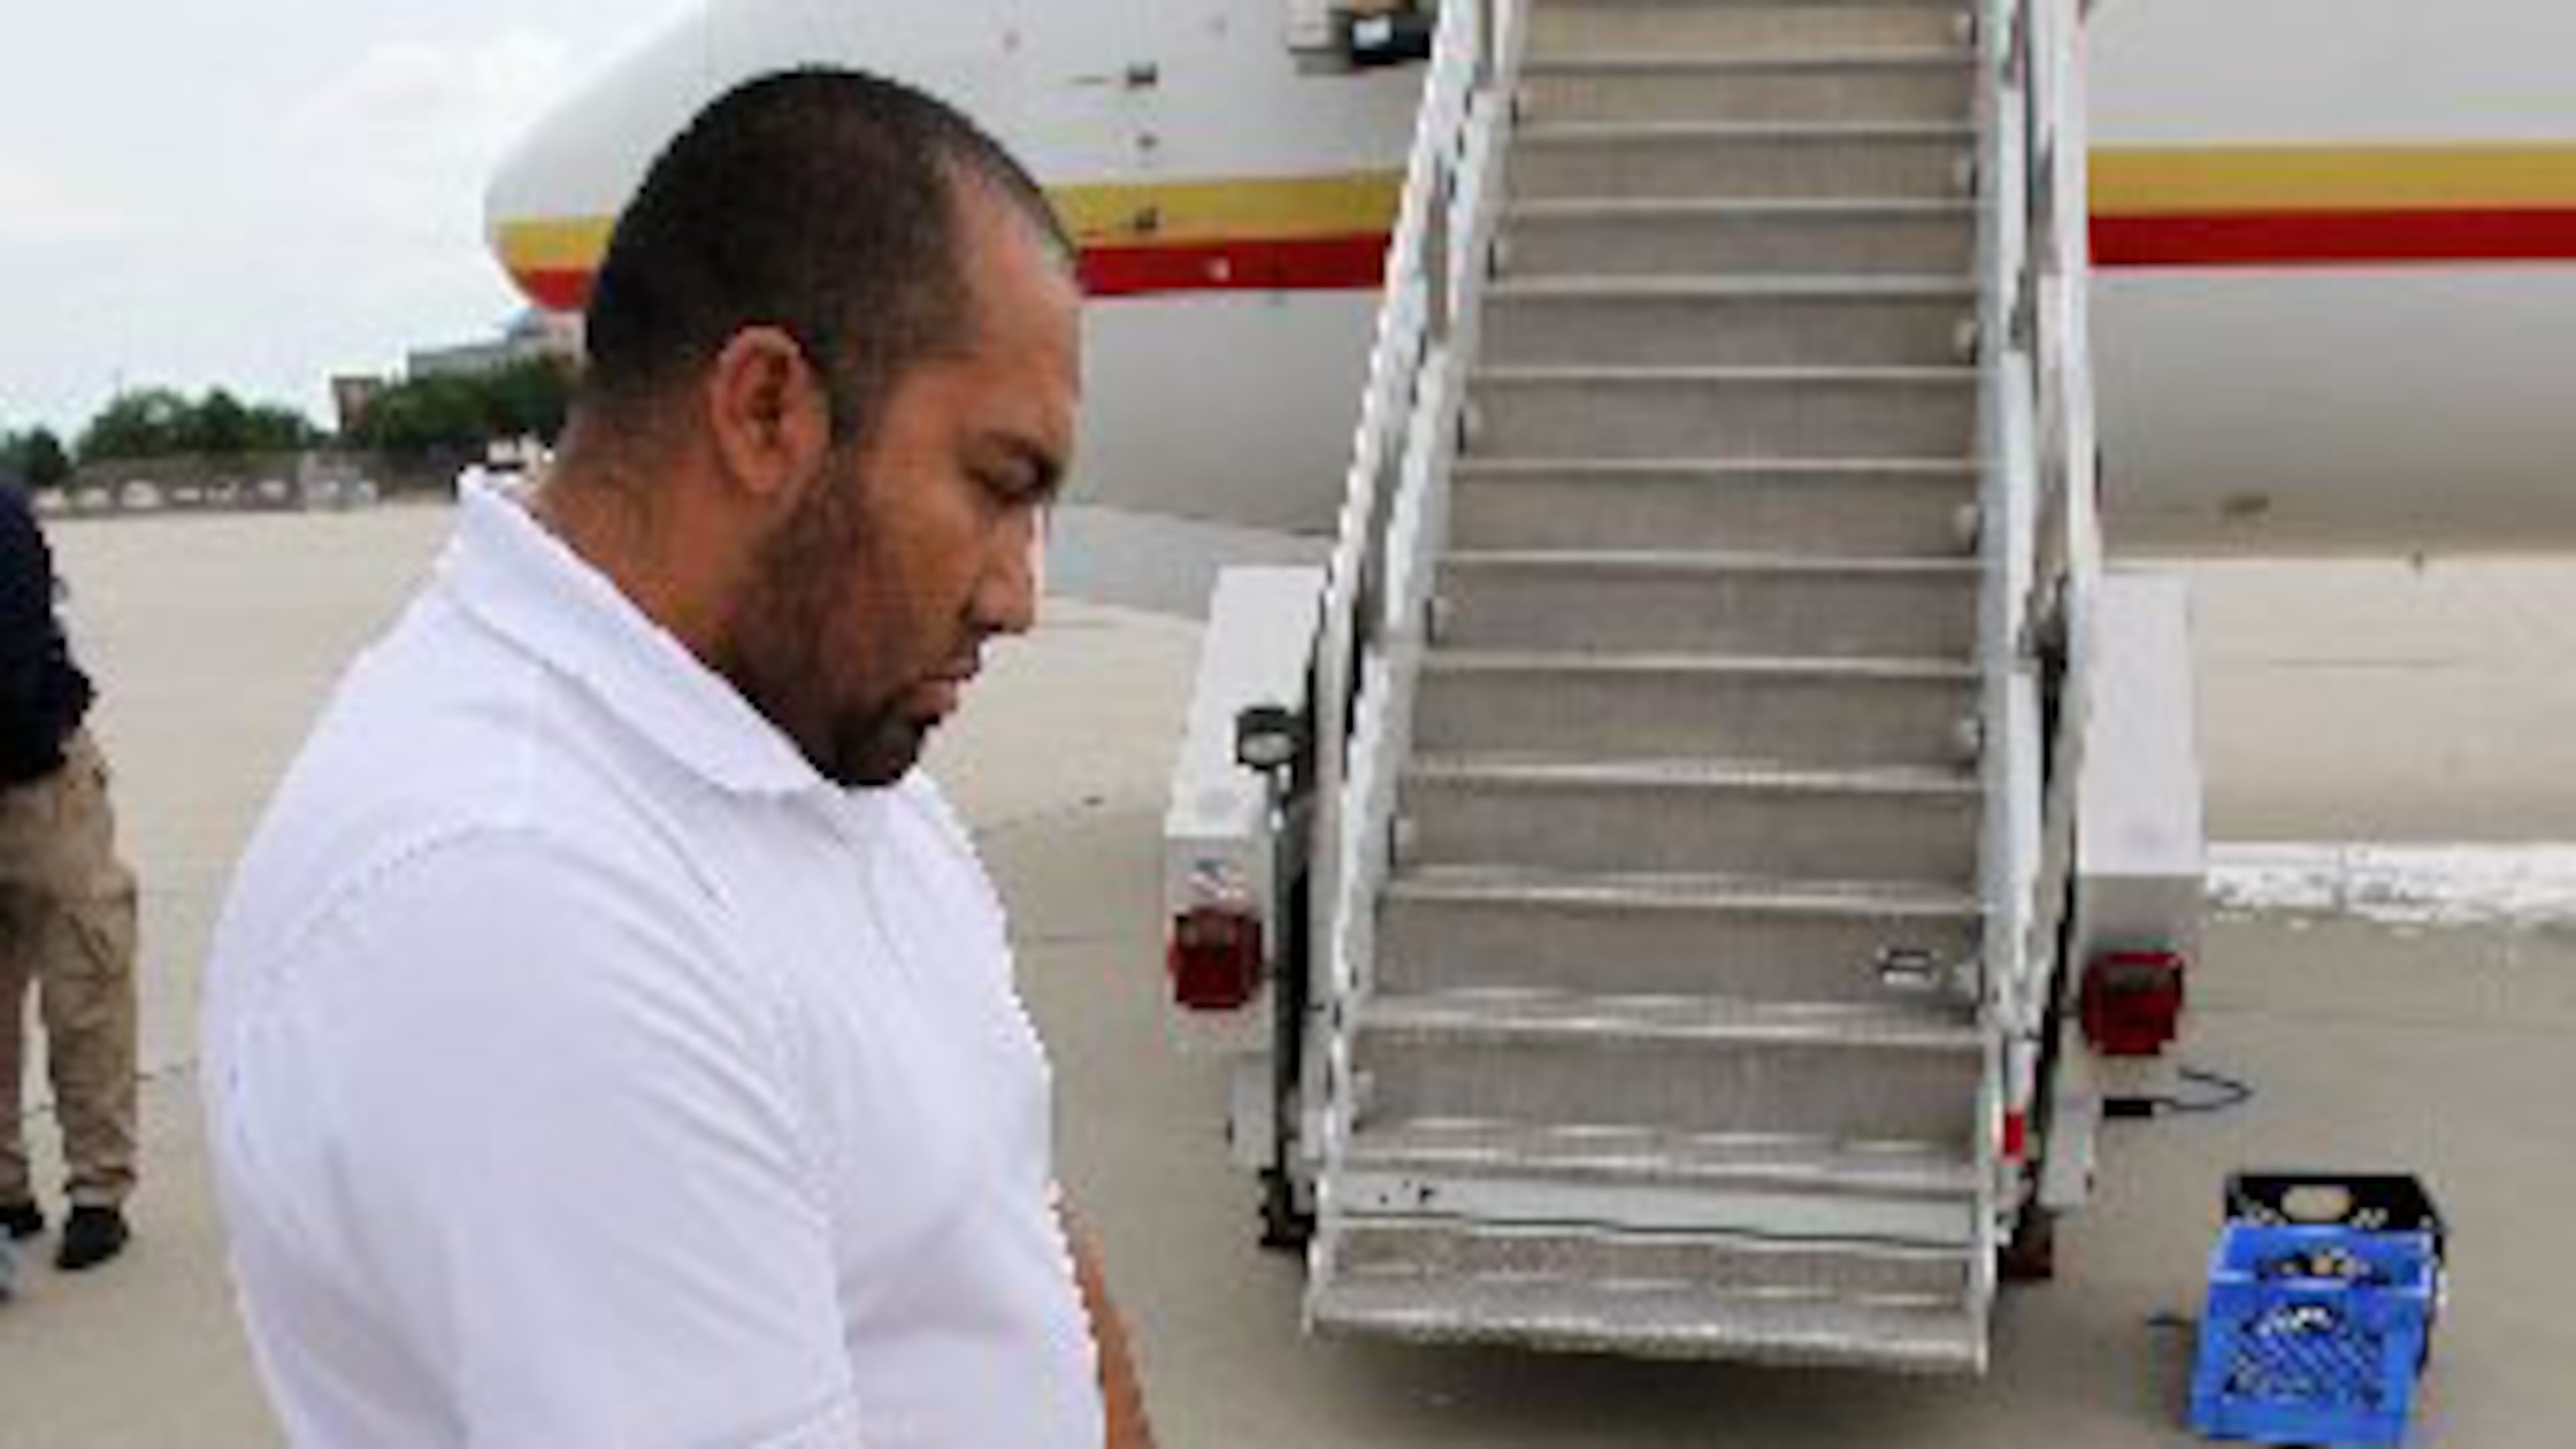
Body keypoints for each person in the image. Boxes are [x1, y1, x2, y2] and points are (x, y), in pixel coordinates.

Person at [201, 70, 1152, 1447]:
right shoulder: (522, 899)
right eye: (998, 486)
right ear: (766, 410)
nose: (1019, 595)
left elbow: (1012, 1232)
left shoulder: (809, 740)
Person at [0, 481, 141, 1275]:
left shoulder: (2, 517)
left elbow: (14, 659)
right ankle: (7, 1193)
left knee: (84, 988)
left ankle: (98, 1189)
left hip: (41, 784)